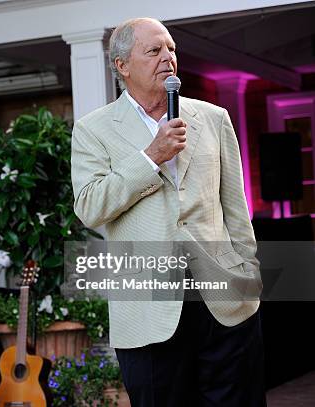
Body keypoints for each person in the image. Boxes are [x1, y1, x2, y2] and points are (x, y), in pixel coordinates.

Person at [70, 17, 265, 406]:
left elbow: (236, 210)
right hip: (147, 311)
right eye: (154, 50)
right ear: (122, 66)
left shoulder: (213, 118)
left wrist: (248, 273)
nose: (168, 58)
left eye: (171, 49)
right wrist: (151, 157)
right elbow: (90, 206)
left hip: (224, 301)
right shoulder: (94, 130)